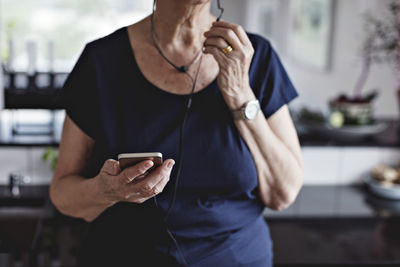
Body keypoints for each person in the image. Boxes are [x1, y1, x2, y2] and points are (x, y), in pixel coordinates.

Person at [50, 0, 304, 266]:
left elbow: (282, 194)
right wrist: (106, 191)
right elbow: (63, 193)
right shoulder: (101, 61)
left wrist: (240, 92)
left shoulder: (253, 56)